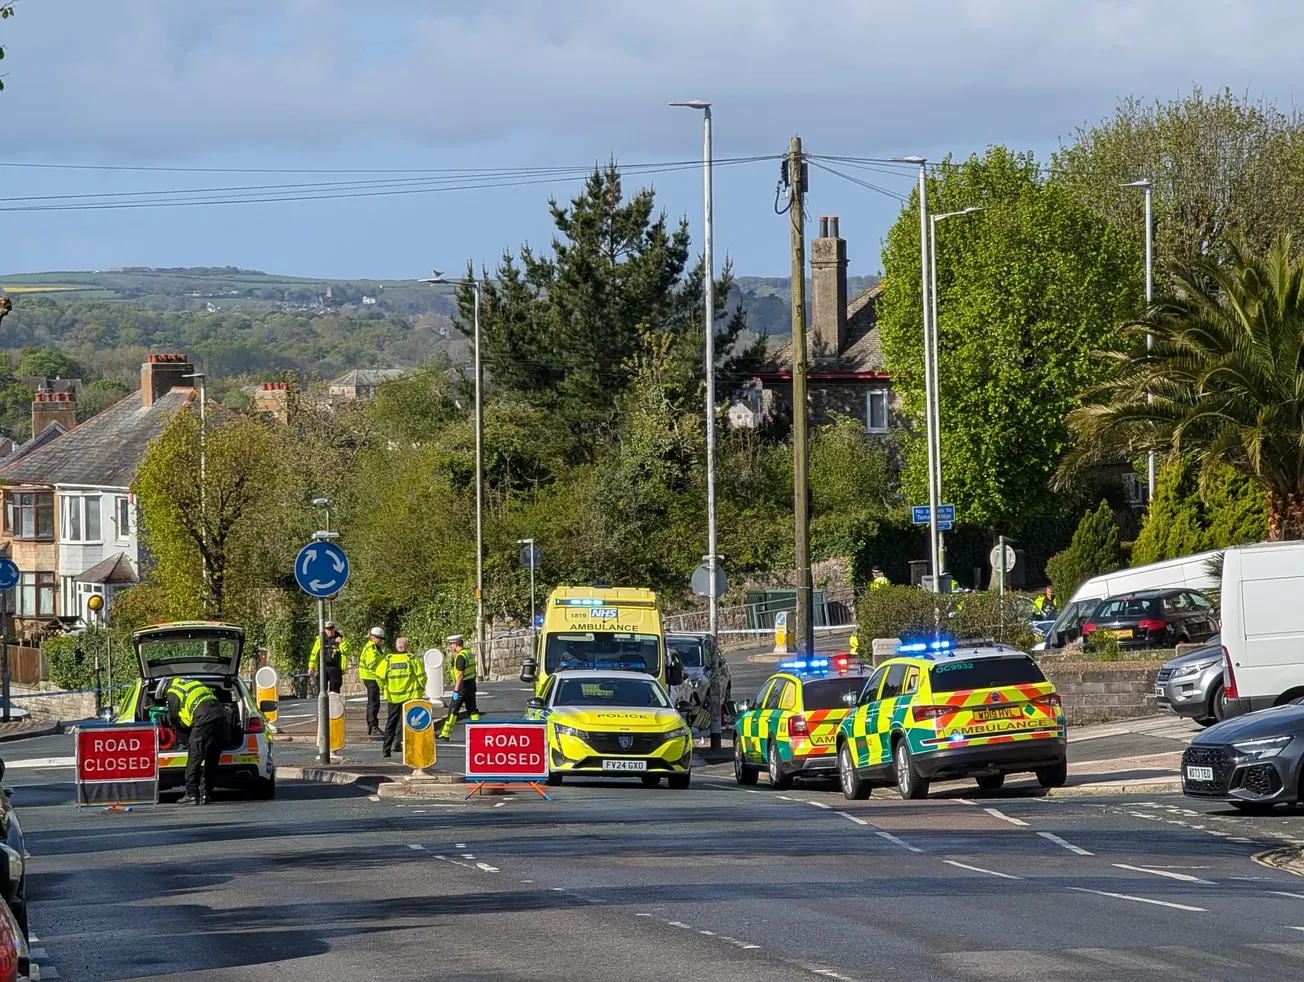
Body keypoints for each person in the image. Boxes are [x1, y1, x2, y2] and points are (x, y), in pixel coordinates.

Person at [156, 677, 227, 805]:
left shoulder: (173, 692)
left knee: (195, 757)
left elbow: (172, 716)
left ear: (163, 689)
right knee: (212, 757)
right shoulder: (191, 683)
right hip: (219, 716)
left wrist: (166, 721)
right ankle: (206, 794)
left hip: (203, 719)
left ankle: (191, 794)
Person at [378, 636, 427, 758]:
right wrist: (421, 688)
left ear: (396, 646)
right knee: (411, 723)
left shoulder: (388, 660)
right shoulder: (411, 659)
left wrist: (384, 688)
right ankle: (411, 749)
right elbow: (421, 677)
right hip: (411, 697)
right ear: (407, 646)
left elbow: (379, 676)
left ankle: (386, 749)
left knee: (391, 722)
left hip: (393, 698)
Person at [439, 634, 480, 738]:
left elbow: (460, 674)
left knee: (453, 709)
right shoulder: (468, 653)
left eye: (451, 645)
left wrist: (456, 690)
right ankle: (479, 731)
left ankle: (445, 733)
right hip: (471, 685)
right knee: (472, 710)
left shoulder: (460, 656)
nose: (450, 647)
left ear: (455, 644)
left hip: (462, 687)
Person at [358, 626, 387, 736]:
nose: (381, 641)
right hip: (371, 677)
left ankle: (371, 726)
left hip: (371, 677)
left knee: (374, 701)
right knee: (374, 702)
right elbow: (372, 664)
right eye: (380, 638)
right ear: (373, 638)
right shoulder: (371, 648)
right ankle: (373, 726)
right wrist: (381, 672)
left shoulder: (373, 647)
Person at [309, 622, 351, 695]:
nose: (330, 631)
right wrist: (311, 666)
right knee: (321, 689)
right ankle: (324, 705)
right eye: (328, 629)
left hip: (335, 667)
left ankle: (334, 706)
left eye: (331, 629)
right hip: (323, 667)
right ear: (325, 630)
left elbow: (348, 651)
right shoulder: (320, 640)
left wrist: (341, 643)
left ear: (334, 629)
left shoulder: (341, 639)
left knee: (335, 691)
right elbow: (314, 654)